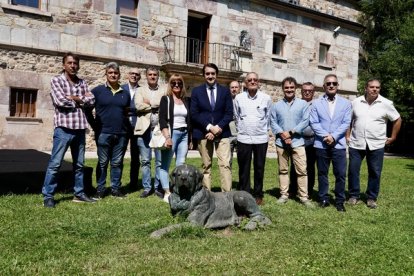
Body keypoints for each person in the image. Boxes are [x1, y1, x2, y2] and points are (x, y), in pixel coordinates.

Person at [42, 52, 96, 208]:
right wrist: (81, 100)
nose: (73, 66)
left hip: (79, 127)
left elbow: (91, 100)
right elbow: (60, 101)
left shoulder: (82, 82)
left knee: (79, 165)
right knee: (55, 164)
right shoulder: (56, 80)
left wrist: (75, 98)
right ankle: (48, 196)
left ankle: (79, 193)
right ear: (63, 65)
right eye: (70, 63)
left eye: (75, 63)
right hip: (63, 129)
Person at [346, 78, 401, 209]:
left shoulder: (386, 103)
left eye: (377, 87)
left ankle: (371, 198)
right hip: (356, 143)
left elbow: (397, 119)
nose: (375, 89)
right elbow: (348, 120)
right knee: (353, 171)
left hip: (376, 144)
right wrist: (347, 136)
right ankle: (354, 195)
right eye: (372, 87)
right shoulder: (355, 102)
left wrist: (392, 137)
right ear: (366, 88)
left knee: (375, 172)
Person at [310, 74, 352, 212]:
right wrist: (325, 136)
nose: (331, 85)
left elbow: (346, 123)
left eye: (334, 83)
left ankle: (340, 201)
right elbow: (314, 122)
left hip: (338, 144)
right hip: (321, 144)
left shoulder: (346, 103)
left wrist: (333, 136)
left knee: (340, 174)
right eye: (328, 83)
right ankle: (323, 198)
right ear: (324, 87)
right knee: (322, 173)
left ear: (338, 86)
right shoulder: (316, 103)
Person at [270, 77, 313, 207]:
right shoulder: (276, 105)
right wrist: (283, 134)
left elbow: (305, 121)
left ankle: (303, 197)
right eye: (286, 88)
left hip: (298, 142)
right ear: (283, 89)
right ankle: (284, 194)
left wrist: (291, 132)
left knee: (302, 171)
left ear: (295, 89)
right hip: (281, 143)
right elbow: (273, 122)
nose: (289, 90)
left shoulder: (303, 104)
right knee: (283, 170)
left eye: (291, 87)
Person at [190, 63, 233, 191]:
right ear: (204, 75)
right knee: (206, 166)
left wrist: (218, 128)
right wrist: (209, 127)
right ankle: (206, 195)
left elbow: (229, 113)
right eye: (207, 73)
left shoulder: (225, 91)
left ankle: (227, 195)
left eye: (213, 73)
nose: (210, 76)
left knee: (225, 164)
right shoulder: (196, 91)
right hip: (203, 133)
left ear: (217, 75)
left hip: (223, 132)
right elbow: (194, 113)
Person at [91, 62, 130, 199]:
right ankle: (100, 189)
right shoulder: (97, 91)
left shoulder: (125, 93)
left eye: (116, 73)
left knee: (117, 162)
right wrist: (94, 125)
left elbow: (126, 112)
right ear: (106, 74)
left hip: (121, 133)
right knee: (102, 162)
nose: (113, 75)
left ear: (119, 75)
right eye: (110, 73)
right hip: (103, 133)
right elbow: (87, 108)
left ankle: (115, 189)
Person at [233, 73, 272, 205]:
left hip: (261, 138)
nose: (252, 82)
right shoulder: (238, 98)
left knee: (259, 167)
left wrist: (262, 131)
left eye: (255, 80)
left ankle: (258, 194)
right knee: (244, 168)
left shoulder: (266, 98)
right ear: (245, 83)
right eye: (249, 80)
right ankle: (244, 193)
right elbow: (236, 116)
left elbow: (268, 118)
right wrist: (243, 129)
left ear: (258, 82)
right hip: (244, 138)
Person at [158, 74, 191, 203]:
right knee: (165, 164)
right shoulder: (165, 99)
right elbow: (162, 120)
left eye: (179, 83)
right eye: (173, 83)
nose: (176, 85)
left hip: (184, 134)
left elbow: (189, 120)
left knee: (181, 165)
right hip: (171, 134)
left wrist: (190, 138)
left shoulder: (186, 100)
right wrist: (167, 137)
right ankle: (167, 192)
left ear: (182, 85)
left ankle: (177, 190)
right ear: (170, 85)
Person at [134, 67, 164, 198]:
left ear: (158, 76)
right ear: (146, 76)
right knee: (145, 160)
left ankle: (157, 187)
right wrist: (155, 105)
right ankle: (147, 187)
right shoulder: (140, 90)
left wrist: (149, 103)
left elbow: (164, 105)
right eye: (150, 75)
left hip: (158, 130)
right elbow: (138, 106)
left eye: (155, 75)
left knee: (159, 161)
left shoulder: (164, 90)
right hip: (144, 129)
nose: (152, 77)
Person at [289, 82, 317, 199]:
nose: (307, 92)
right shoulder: (296, 104)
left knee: (310, 166)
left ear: (313, 92)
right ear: (301, 91)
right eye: (305, 90)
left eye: (310, 90)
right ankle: (293, 189)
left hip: (311, 140)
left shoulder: (316, 105)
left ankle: (308, 191)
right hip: (297, 139)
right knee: (295, 165)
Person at [121, 68, 141, 191]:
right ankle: (116, 184)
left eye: (137, 74)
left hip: (137, 127)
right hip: (122, 126)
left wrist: (130, 110)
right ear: (128, 75)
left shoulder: (142, 90)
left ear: (139, 77)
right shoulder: (121, 88)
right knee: (119, 156)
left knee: (135, 157)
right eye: (132, 73)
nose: (134, 76)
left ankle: (133, 184)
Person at [229, 80, 241, 169]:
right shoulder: (226, 100)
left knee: (242, 161)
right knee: (227, 161)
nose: (234, 89)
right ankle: (228, 183)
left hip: (241, 134)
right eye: (232, 87)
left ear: (239, 88)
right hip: (229, 134)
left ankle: (243, 182)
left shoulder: (244, 100)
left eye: (236, 87)